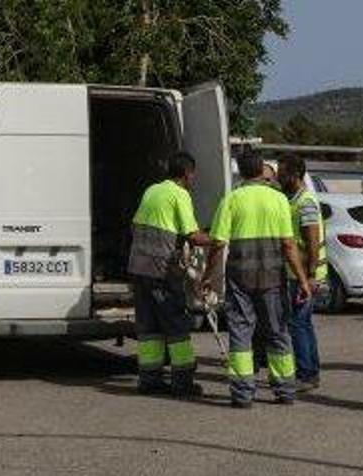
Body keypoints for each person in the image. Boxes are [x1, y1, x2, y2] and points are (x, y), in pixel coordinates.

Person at [205, 149, 312, 409]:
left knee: (241, 332)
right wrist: (304, 280)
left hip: (240, 278)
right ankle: (285, 390)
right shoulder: (279, 201)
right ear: (261, 169)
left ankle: (243, 394)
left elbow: (218, 244)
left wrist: (208, 276)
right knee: (277, 331)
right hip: (273, 277)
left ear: (240, 172)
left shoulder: (231, 200)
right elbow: (288, 245)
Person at [128, 152, 212, 398]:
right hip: (161, 271)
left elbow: (134, 226)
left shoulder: (151, 190)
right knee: (176, 326)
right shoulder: (180, 194)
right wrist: (217, 239)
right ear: (187, 173)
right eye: (193, 174)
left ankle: (149, 380)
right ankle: (183, 382)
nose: (193, 178)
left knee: (149, 327)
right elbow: (193, 235)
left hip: (138, 268)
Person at [278, 154, 327, 392]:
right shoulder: (291, 199)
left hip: (302, 276)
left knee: (298, 324)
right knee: (302, 323)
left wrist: (309, 277)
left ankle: (306, 374)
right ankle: (310, 371)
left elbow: (312, 242)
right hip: (294, 273)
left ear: (295, 175)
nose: (278, 175)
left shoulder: (305, 202)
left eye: (282, 172)